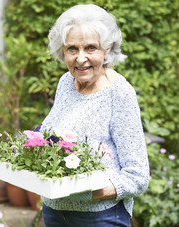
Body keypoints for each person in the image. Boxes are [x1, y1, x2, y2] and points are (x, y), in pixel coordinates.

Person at [40, 4, 149, 227]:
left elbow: (137, 177)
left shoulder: (119, 93)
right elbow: (50, 134)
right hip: (53, 213)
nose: (80, 59)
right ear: (63, 50)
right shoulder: (65, 83)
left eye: (90, 48)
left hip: (99, 218)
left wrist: (85, 191)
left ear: (107, 49)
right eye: (72, 49)